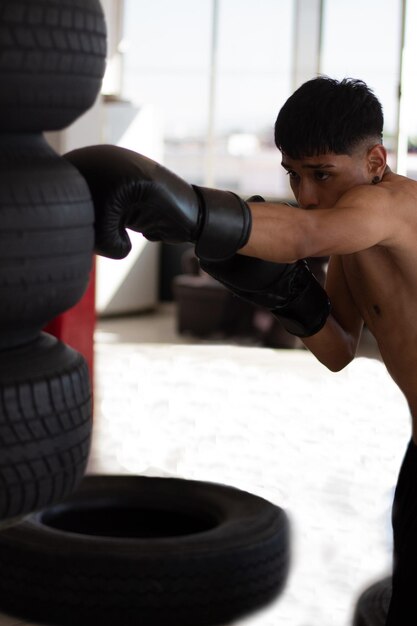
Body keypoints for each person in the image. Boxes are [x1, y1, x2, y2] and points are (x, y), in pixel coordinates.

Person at [65, 76, 417, 624]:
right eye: (294, 176)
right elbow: (338, 348)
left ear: (375, 160)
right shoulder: (352, 249)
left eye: (322, 173)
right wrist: (280, 292)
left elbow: (304, 233)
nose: (307, 193)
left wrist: (186, 208)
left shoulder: (395, 205)